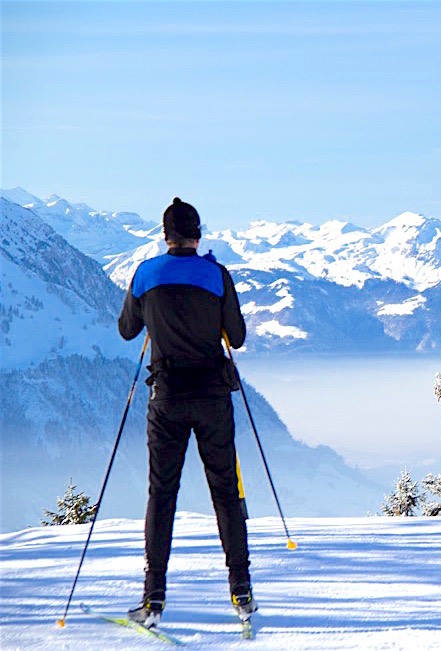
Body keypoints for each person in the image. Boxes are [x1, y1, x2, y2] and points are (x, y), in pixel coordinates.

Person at [118, 197, 256, 628]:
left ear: (165, 235)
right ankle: (242, 592)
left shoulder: (145, 274)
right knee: (225, 493)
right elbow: (237, 336)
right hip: (213, 397)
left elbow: (127, 330)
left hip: (167, 396)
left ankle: (153, 599)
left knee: (162, 495)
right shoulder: (216, 275)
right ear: (198, 235)